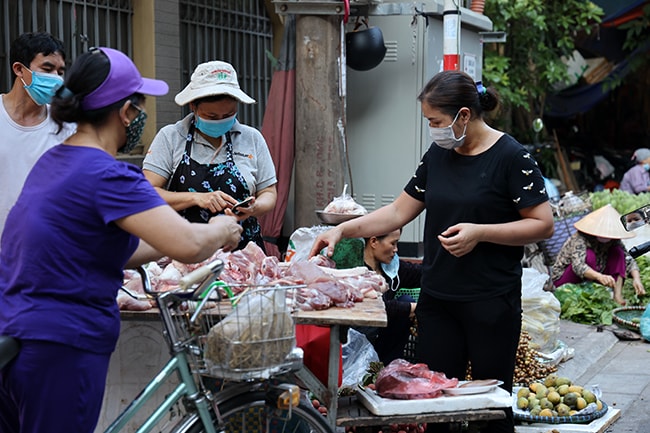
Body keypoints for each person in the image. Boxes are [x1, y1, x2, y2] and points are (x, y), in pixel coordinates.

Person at [0, 47, 243, 433]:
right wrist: (222, 230)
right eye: (139, 107)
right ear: (125, 111)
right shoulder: (106, 174)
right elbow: (189, 244)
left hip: (18, 336)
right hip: (62, 346)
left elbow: (118, 246)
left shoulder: (56, 160)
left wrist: (173, 238)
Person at [309, 71, 554, 433]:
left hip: (491, 301)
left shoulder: (511, 157)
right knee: (433, 406)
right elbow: (396, 212)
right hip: (438, 300)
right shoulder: (439, 155)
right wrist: (343, 229)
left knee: (491, 410)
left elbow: (542, 223)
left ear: (464, 115)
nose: (433, 130)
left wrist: (480, 233)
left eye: (436, 122)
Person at [143, 60, 277, 252]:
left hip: (244, 257)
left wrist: (253, 209)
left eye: (229, 114)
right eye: (212, 117)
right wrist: (197, 198)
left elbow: (269, 193)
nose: (221, 121)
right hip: (186, 252)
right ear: (193, 106)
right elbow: (147, 193)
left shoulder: (252, 138)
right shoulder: (171, 137)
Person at [0, 32, 76, 239]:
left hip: (46, 247)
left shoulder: (67, 125)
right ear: (19, 69)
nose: (56, 79)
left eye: (60, 71)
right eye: (47, 69)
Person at [551, 204, 646, 305]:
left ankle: (617, 295)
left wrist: (636, 279)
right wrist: (599, 277)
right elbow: (578, 266)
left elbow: (628, 259)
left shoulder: (613, 240)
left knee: (618, 252)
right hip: (566, 279)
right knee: (590, 255)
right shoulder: (580, 238)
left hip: (595, 273)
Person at [359, 229, 421, 365]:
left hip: (383, 343)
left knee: (406, 301)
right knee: (406, 304)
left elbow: (421, 274)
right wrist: (415, 308)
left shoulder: (390, 269)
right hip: (359, 342)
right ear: (374, 241)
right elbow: (375, 306)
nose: (396, 250)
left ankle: (388, 366)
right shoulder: (358, 271)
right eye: (393, 243)